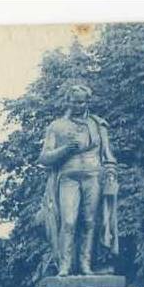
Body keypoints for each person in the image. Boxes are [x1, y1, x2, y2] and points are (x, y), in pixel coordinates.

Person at [37, 79, 119, 276]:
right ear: (68, 101)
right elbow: (44, 158)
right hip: (68, 177)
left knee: (90, 221)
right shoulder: (57, 126)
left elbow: (108, 156)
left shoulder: (99, 125)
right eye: (74, 102)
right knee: (69, 221)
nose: (77, 105)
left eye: (81, 102)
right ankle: (64, 266)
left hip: (94, 176)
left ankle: (85, 264)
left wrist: (110, 173)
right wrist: (65, 149)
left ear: (87, 102)